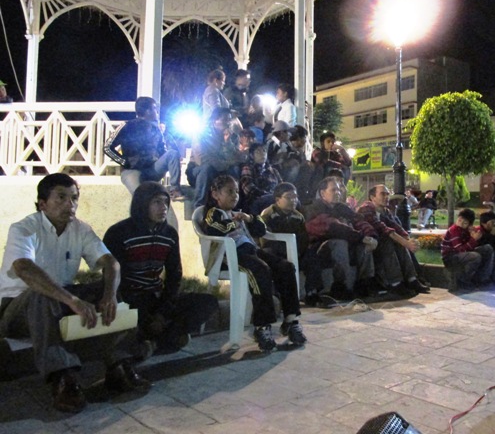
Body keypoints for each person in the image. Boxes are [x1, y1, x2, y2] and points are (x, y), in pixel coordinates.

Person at [0, 174, 149, 413]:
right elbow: (23, 268)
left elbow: (111, 263)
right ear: (42, 204)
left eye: (74, 198)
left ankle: (119, 365)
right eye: (61, 197)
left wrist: (109, 295)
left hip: (60, 301)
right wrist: (72, 300)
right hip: (17, 308)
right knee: (41, 294)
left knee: (105, 287)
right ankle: (63, 379)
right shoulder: (24, 228)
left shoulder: (80, 228)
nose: (70, 204)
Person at [103, 182, 218, 354]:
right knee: (131, 317)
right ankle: (162, 338)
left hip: (157, 298)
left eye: (165, 202)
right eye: (156, 202)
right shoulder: (119, 233)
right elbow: (113, 277)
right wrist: (148, 315)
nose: (163, 207)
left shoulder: (169, 234)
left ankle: (153, 343)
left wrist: (162, 313)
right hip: (130, 299)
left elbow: (174, 275)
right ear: (142, 204)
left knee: (207, 303)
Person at [202, 175, 305, 351]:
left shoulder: (239, 212)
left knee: (286, 267)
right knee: (261, 270)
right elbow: (215, 229)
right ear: (216, 194)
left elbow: (261, 230)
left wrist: (249, 218)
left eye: (236, 191)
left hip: (251, 251)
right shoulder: (213, 213)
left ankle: (291, 320)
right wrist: (233, 222)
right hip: (231, 256)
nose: (235, 195)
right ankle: (262, 326)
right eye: (229, 191)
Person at [305, 177, 378, 300]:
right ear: (322, 193)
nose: (338, 193)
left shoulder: (342, 208)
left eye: (338, 190)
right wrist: (361, 237)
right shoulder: (315, 208)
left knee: (364, 245)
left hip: (347, 242)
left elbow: (359, 221)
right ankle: (340, 286)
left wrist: (371, 236)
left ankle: (364, 283)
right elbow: (333, 227)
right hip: (319, 248)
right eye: (333, 190)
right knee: (340, 243)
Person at [260, 182, 328, 306]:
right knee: (269, 254)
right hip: (276, 251)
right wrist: (287, 249)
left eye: (295, 197)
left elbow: (303, 239)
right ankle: (277, 296)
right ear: (278, 200)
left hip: (295, 251)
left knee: (312, 256)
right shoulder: (268, 214)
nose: (293, 200)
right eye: (289, 197)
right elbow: (265, 240)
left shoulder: (298, 216)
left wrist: (297, 251)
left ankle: (312, 292)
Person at [104, 96, 184, 200]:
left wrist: (174, 162)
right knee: (142, 198)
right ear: (148, 111)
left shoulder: (156, 130)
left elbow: (163, 152)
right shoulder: (127, 126)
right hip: (132, 171)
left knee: (172, 153)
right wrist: (124, 162)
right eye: (154, 108)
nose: (157, 112)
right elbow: (107, 147)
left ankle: (175, 190)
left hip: (152, 170)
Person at [357, 185, 430, 295]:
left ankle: (412, 279)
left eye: (387, 194)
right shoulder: (366, 208)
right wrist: (406, 243)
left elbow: (396, 227)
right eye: (382, 194)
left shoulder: (386, 211)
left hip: (381, 242)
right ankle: (396, 283)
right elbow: (382, 228)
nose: (386, 197)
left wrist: (409, 240)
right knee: (389, 241)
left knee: (398, 242)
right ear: (372, 197)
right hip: (368, 243)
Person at [190, 107, 243, 207]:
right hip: (199, 169)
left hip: (223, 169)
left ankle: (234, 206)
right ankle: (199, 206)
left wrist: (228, 143)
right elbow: (202, 159)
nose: (228, 123)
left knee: (235, 170)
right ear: (215, 120)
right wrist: (225, 164)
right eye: (225, 119)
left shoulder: (233, 136)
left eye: (229, 119)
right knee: (206, 169)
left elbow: (235, 158)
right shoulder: (202, 134)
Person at [440, 209, 493, 290]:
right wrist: (473, 240)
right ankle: (463, 281)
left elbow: (471, 246)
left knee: (487, 248)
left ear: (469, 224)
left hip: (462, 254)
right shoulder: (454, 230)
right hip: (450, 256)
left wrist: (474, 235)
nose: (461, 223)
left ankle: (482, 279)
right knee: (475, 256)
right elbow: (460, 249)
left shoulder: (467, 230)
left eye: (465, 223)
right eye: (459, 220)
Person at [238, 143, 282, 215]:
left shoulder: (273, 171)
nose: (262, 154)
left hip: (275, 198)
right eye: (258, 152)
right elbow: (248, 189)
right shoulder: (248, 168)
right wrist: (267, 195)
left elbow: (282, 186)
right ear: (252, 155)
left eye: (264, 151)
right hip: (256, 201)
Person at [477, 211, 495, 281]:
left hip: (490, 251)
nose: (494, 224)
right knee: (488, 249)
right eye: (492, 222)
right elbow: (483, 243)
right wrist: (492, 234)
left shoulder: (492, 230)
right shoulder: (479, 231)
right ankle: (484, 277)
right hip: (479, 251)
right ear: (484, 223)